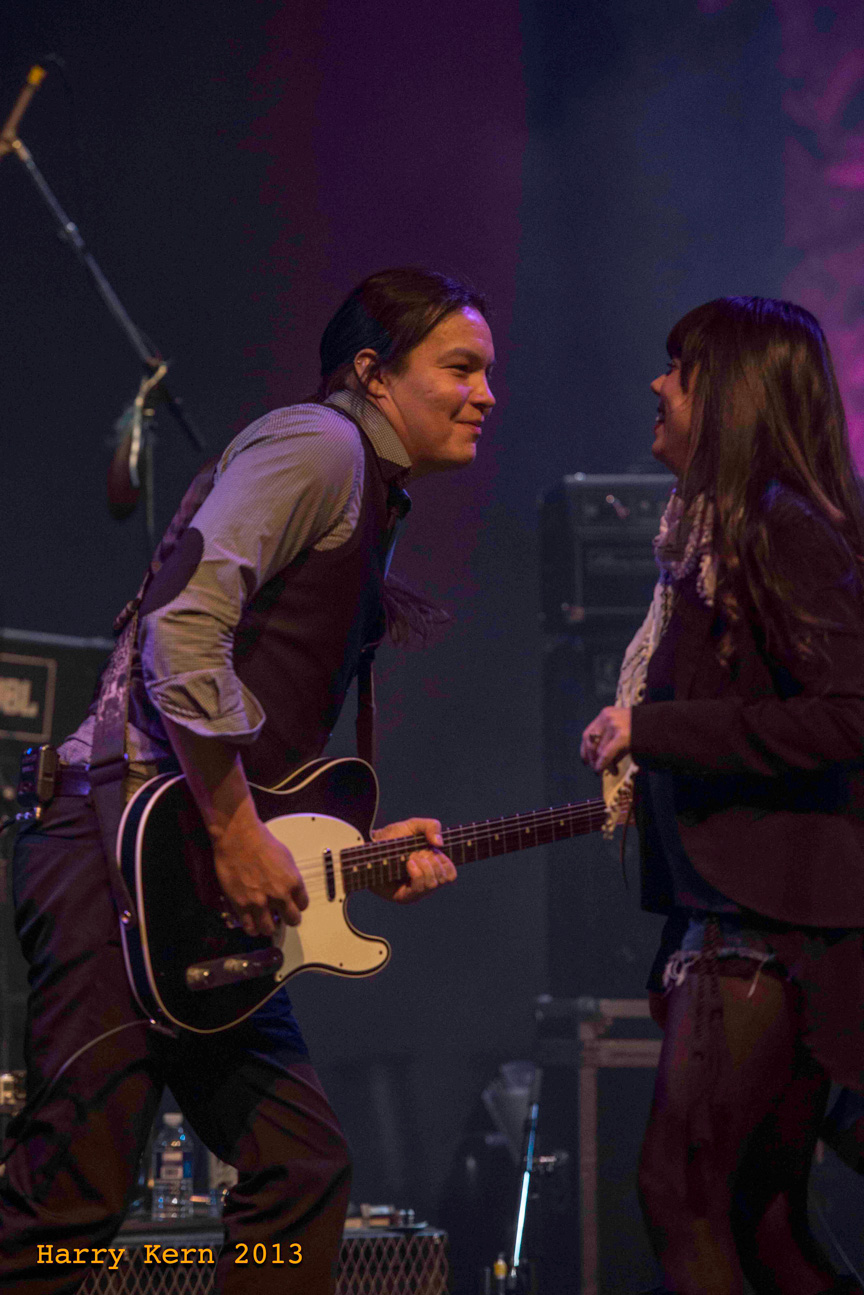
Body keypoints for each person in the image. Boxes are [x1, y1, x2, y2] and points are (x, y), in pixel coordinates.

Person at [1, 267, 496, 1294]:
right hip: (117, 855)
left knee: (298, 1174)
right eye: (461, 367)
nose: (485, 394)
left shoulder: (365, 485)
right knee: (65, 1210)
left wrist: (347, 846)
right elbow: (183, 626)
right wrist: (234, 831)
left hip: (187, 868)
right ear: (374, 372)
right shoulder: (321, 444)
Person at [580, 296, 864, 1295]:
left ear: (733, 394)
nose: (657, 385)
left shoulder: (783, 528)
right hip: (748, 921)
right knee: (762, 1218)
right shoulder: (712, 537)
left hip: (770, 929)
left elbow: (847, 715)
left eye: (680, 368)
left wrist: (652, 729)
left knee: (679, 1193)